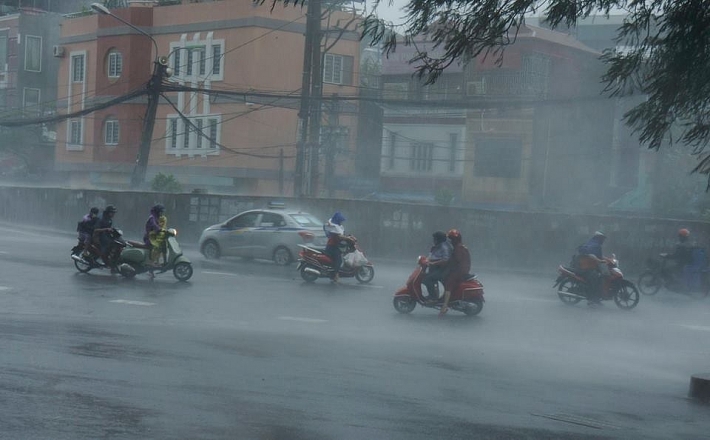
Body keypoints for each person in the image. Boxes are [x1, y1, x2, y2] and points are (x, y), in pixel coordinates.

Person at [439, 229, 471, 317]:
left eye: (451, 239)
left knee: (448, 282)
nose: (450, 241)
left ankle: (445, 305)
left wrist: (446, 265)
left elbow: (456, 261)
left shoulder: (458, 248)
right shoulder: (460, 247)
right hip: (462, 269)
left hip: (460, 270)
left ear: (454, 240)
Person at [576, 231, 607, 305]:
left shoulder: (594, 244)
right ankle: (591, 299)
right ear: (598, 238)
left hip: (590, 266)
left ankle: (597, 298)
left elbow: (598, 256)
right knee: (594, 279)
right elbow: (593, 256)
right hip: (586, 267)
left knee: (601, 277)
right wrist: (600, 260)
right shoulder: (595, 245)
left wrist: (608, 259)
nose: (603, 240)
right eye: (602, 238)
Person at [422, 231, 453, 302]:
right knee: (423, 277)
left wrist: (434, 263)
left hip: (443, 270)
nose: (433, 240)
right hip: (436, 269)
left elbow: (445, 260)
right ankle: (434, 294)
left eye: (435, 239)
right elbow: (431, 256)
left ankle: (433, 297)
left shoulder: (444, 247)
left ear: (439, 239)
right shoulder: (437, 246)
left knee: (428, 279)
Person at [323, 211, 346, 282]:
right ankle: (336, 275)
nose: (342, 222)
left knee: (337, 259)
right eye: (341, 221)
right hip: (331, 247)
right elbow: (339, 236)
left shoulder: (335, 227)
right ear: (338, 220)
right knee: (339, 260)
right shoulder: (334, 228)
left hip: (333, 246)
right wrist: (346, 238)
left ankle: (332, 274)